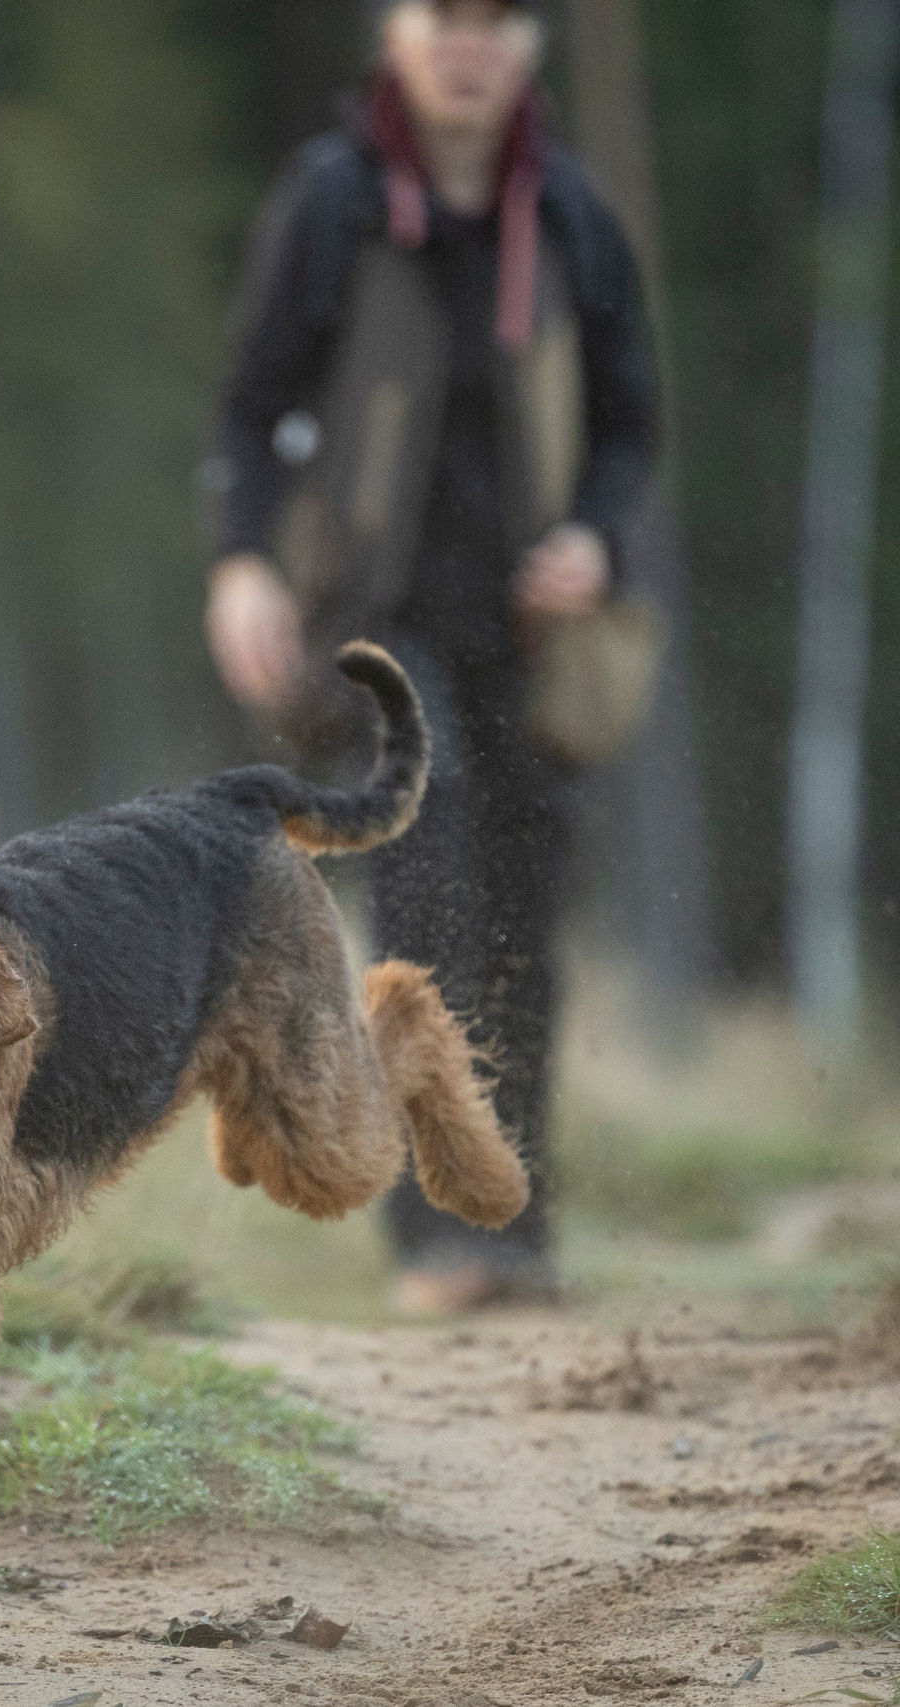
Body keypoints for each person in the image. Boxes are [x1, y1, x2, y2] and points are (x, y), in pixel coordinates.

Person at [202, 0, 660, 1314]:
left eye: (499, 18)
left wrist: (596, 537)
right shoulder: (333, 201)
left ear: (534, 45)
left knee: (525, 906)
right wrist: (240, 565)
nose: (469, 43)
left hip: (534, 627)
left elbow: (633, 425)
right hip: (374, 625)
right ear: (393, 31)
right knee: (433, 862)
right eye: (442, 14)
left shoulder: (570, 215)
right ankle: (437, 1240)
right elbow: (247, 407)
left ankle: (516, 1226)